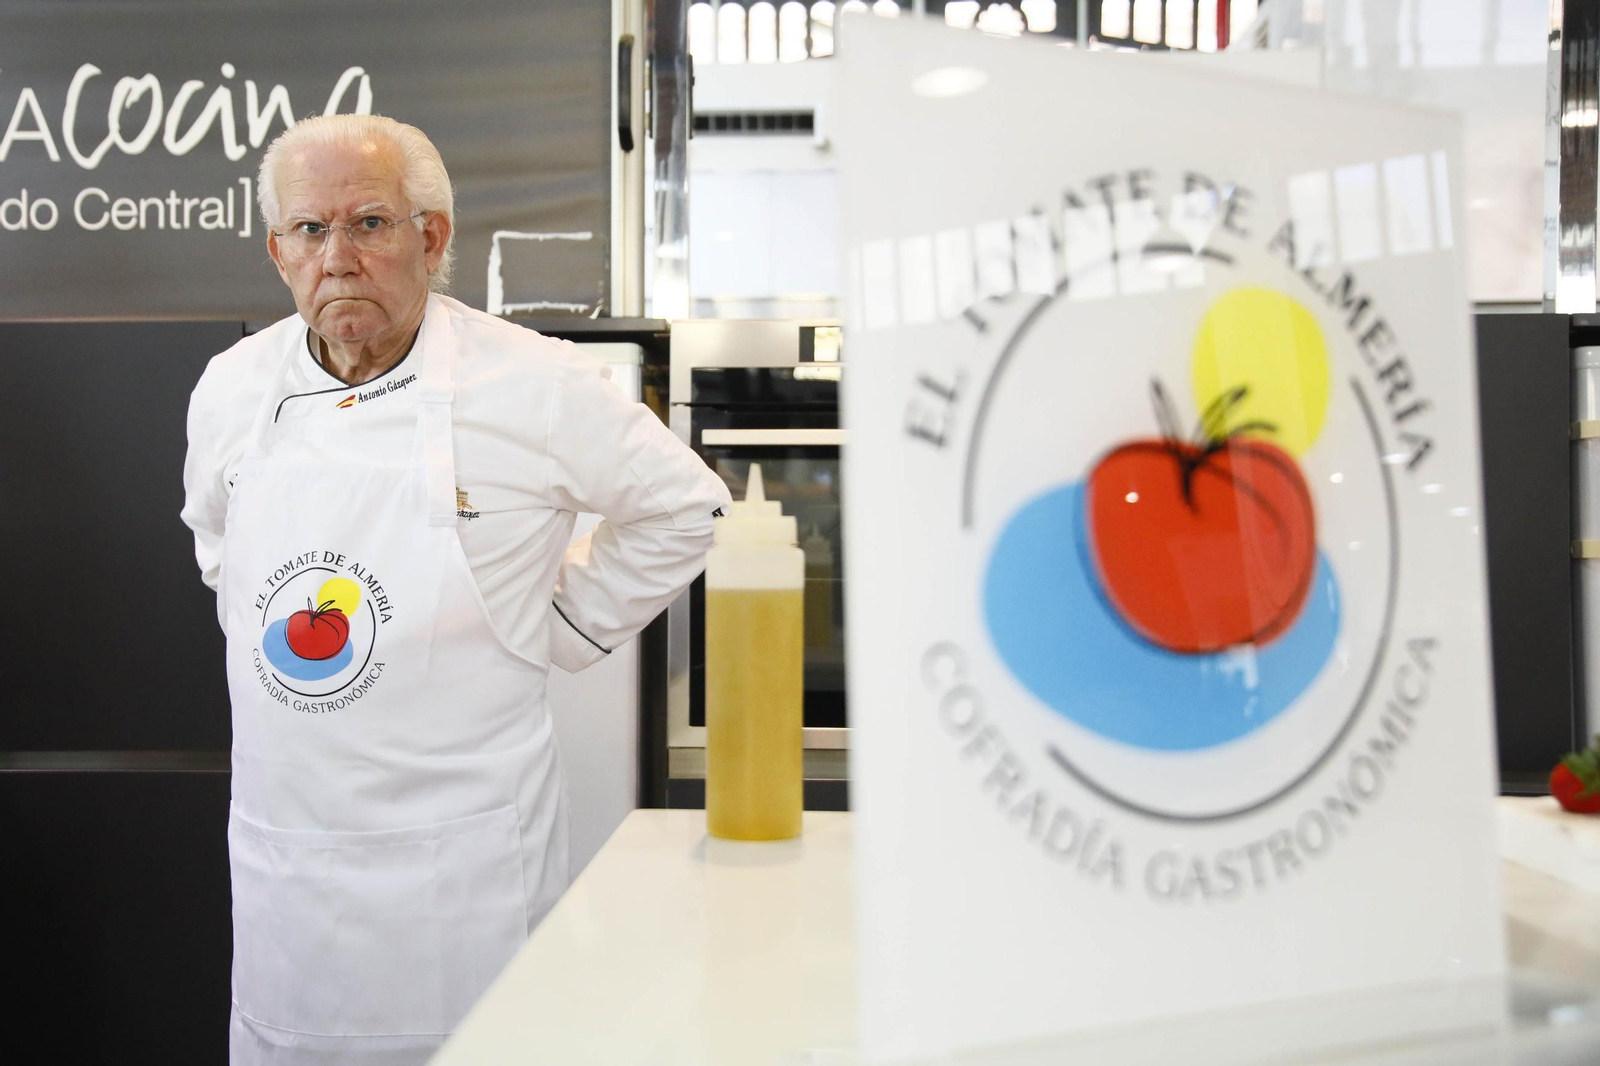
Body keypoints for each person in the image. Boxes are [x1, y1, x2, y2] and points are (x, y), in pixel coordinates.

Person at [181, 114, 732, 1065]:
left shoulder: (536, 383)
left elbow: (690, 510)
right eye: (310, 231)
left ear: (432, 238)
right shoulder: (232, 388)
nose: (338, 257)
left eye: (370, 223)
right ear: (278, 252)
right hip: (290, 868)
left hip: (463, 871)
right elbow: (215, 539)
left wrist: (556, 625)